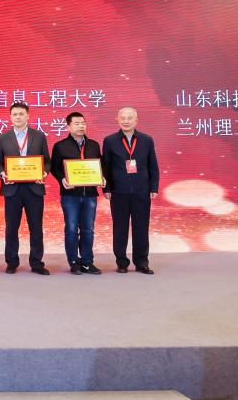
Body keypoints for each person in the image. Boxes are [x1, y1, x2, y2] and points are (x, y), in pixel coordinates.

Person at [0, 102, 51, 275]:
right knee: (11, 228)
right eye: (15, 114)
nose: (18, 117)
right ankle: (11, 262)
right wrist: (2, 174)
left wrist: (44, 173)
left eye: (21, 114)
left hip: (34, 188)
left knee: (36, 228)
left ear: (28, 116)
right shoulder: (3, 138)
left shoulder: (39, 136)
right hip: (12, 190)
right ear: (10, 117)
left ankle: (37, 263)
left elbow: (47, 161)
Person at [102, 107, 159, 274]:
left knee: (141, 228)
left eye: (129, 118)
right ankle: (122, 262)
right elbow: (106, 167)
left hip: (142, 191)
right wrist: (107, 188)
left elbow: (153, 165)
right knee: (120, 228)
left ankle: (141, 262)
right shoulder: (110, 140)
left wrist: (153, 187)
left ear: (136, 120)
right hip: (119, 191)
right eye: (123, 118)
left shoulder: (146, 140)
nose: (126, 121)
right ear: (117, 120)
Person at [50, 112, 104, 275]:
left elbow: (100, 165)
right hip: (70, 195)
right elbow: (54, 168)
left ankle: (87, 261)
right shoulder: (60, 146)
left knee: (88, 229)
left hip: (90, 194)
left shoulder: (94, 145)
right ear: (68, 127)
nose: (81, 126)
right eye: (77, 123)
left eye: (83, 123)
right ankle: (73, 261)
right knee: (72, 229)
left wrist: (102, 177)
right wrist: (62, 179)